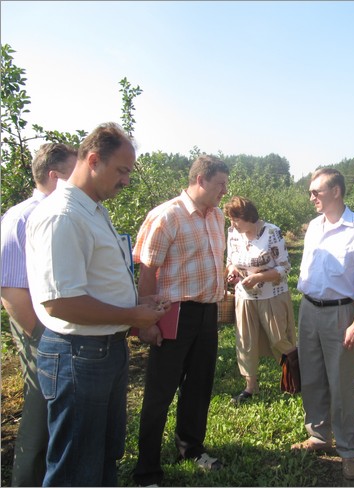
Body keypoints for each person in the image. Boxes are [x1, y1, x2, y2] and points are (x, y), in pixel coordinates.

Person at [25, 123, 169, 487]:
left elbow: (92, 281)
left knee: (103, 453)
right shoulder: (63, 216)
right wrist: (132, 314)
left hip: (102, 350)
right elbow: (60, 303)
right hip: (79, 354)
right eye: (121, 171)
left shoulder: (91, 209)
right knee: (76, 465)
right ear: (93, 160)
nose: (126, 181)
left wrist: (136, 301)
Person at [132, 155, 229, 487]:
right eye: (220, 184)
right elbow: (147, 271)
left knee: (199, 386)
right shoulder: (167, 215)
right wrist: (146, 321)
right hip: (173, 313)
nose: (224, 191)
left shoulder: (217, 217)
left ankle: (191, 448)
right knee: (160, 392)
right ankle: (147, 470)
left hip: (207, 312)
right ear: (200, 180)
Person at [292, 168, 354, 481]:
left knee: (342, 384)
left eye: (316, 192)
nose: (312, 198)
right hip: (308, 309)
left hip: (340, 314)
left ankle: (349, 451)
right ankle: (319, 435)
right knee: (312, 376)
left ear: (335, 191)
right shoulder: (313, 228)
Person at [1, 143, 77, 487]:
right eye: (73, 173)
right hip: (42, 335)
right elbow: (12, 291)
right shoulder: (22, 217)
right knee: (38, 415)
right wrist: (43, 340)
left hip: (64, 332)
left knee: (59, 414)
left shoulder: (67, 215)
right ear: (54, 176)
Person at [224, 196, 298, 404]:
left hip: (271, 295)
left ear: (248, 217)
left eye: (235, 219)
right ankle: (250, 386)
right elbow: (230, 261)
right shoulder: (233, 234)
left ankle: (296, 379)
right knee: (246, 341)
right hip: (245, 297)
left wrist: (259, 277)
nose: (232, 224)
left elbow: (284, 268)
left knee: (279, 339)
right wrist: (232, 273)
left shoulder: (271, 233)